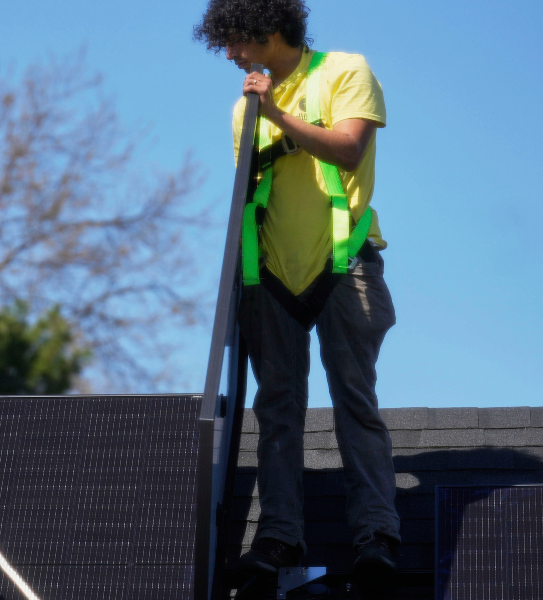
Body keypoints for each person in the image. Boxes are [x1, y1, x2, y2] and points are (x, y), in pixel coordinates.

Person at [195, 0, 401, 580]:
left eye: (235, 41)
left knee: (354, 400)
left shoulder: (345, 70)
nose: (231, 55)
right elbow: (247, 199)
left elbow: (348, 147)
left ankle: (376, 534)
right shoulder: (244, 108)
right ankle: (280, 538)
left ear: (270, 29)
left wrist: (277, 114)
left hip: (344, 265)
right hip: (270, 277)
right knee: (276, 411)